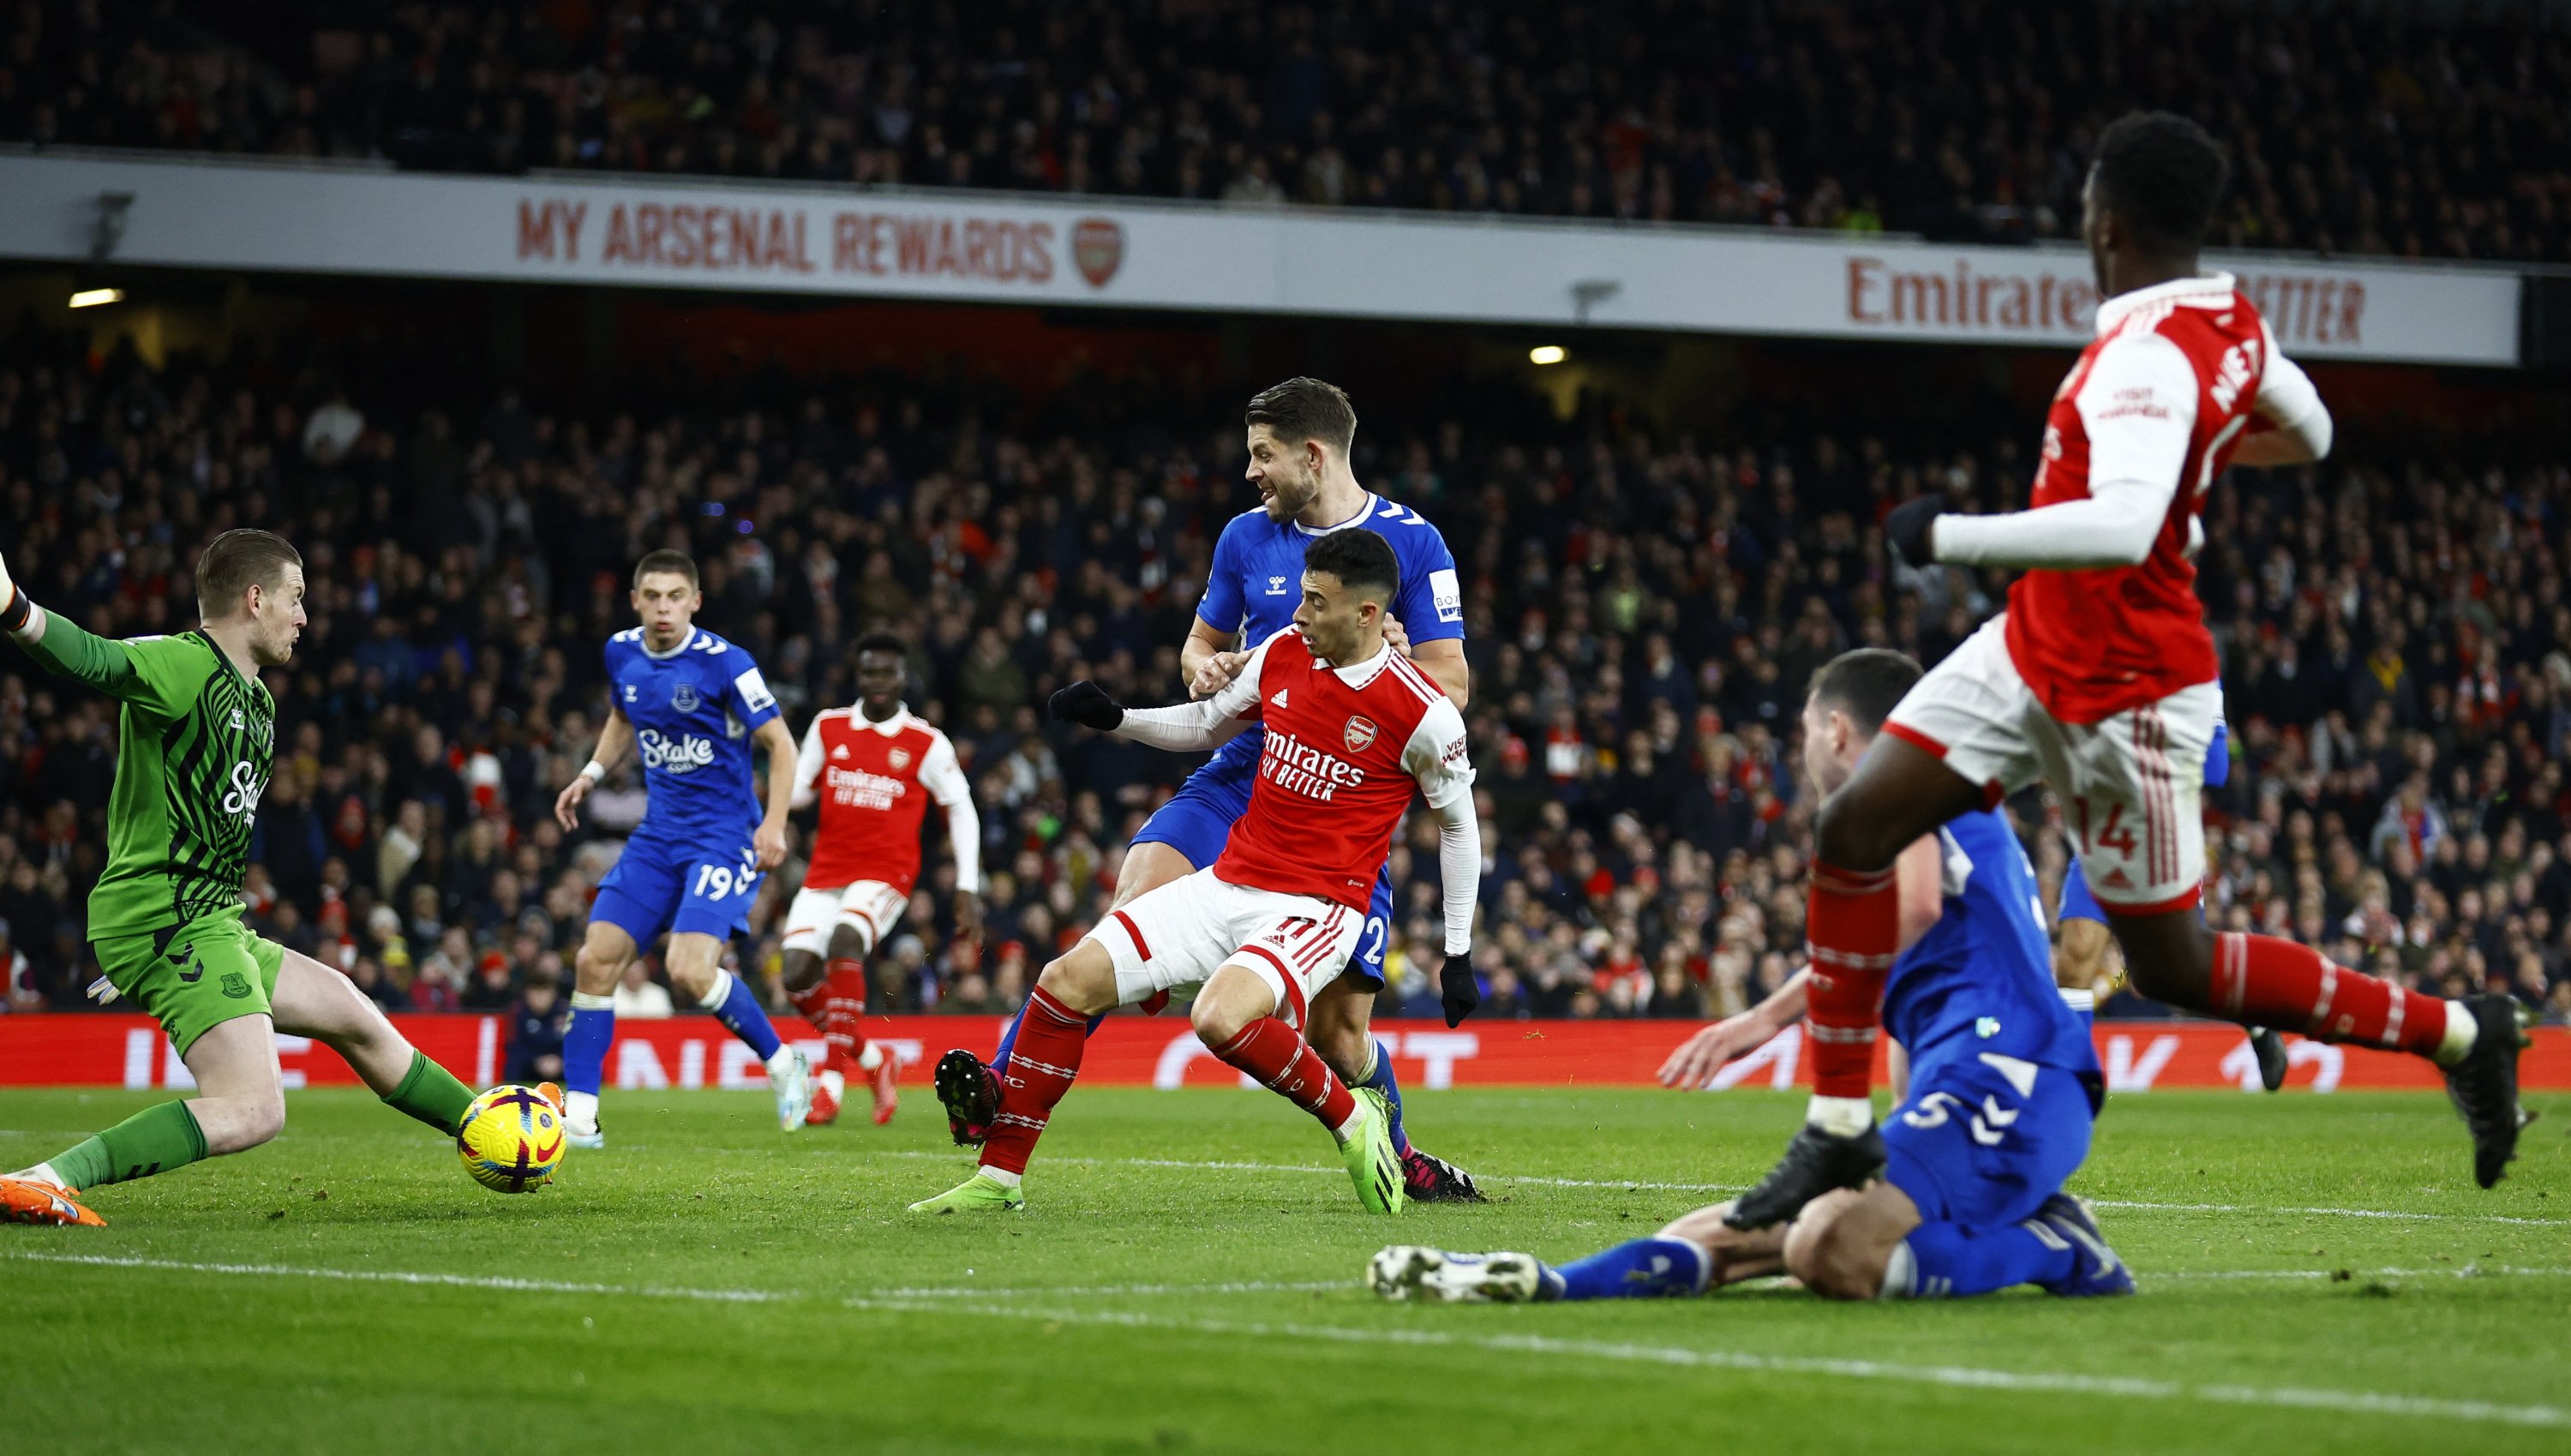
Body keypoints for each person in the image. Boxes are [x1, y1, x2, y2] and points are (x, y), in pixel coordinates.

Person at [1733, 111, 2527, 1230]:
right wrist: (2202, 450)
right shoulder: (2227, 322)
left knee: (2176, 962)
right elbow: (2313, 432)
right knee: (1854, 827)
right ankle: (1837, 1128)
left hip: (2131, 688)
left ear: (2101, 219)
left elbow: (2121, 522)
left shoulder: (2143, 356)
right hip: (2031, 646)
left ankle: (2462, 1032)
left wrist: (1948, 533)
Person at [1374, 650, 2129, 1303]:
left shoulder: (1911, 782)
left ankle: (2057, 1244)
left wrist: (1761, 1019)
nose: (1803, 750)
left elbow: (1914, 907)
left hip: (2013, 1080)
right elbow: (1916, 987)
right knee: (1734, 1231)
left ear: (1835, 731)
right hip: (1979, 1081)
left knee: (1824, 1251)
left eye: (1805, 731)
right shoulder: (1945, 797)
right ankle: (1554, 1281)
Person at [932, 377, 1487, 1203]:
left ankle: (1395, 1152)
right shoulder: (1244, 538)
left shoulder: (1412, 544)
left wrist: (1399, 658)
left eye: (1263, 454)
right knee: (1134, 896)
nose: (1249, 470)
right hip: (1245, 762)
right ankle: (1006, 1096)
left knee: (1340, 1036)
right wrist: (1205, 668)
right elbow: (1199, 654)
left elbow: (1452, 686)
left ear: (1313, 453)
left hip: (1344, 797)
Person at [0, 531, 494, 1227]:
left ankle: (485, 1126)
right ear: (254, 598)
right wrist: (13, 605)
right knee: (255, 1107)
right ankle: (42, 1179)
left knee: (351, 1010)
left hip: (206, 919)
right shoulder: (183, 663)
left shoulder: (257, 702)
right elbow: (95, 659)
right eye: (295, 599)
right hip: (169, 918)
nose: (303, 617)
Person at [549, 549, 811, 1150]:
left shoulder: (727, 664)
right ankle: (582, 1121)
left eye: (675, 596)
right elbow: (623, 714)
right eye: (652, 596)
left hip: (721, 837)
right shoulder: (622, 651)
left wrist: (772, 825)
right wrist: (590, 771)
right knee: (595, 960)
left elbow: (782, 744)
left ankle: (782, 1062)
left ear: (695, 601)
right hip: (658, 835)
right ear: (636, 601)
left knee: (687, 971)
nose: (663, 607)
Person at [779, 630, 981, 1126]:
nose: (877, 681)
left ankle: (829, 1081)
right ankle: (874, 1060)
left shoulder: (925, 741)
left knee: (845, 940)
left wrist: (968, 886)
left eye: (887, 672)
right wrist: (762, 794)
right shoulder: (828, 728)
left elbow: (962, 810)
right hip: (827, 868)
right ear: (858, 673)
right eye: (869, 671)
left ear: (902, 677)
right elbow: (799, 793)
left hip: (887, 874)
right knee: (795, 975)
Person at [2053, 720, 2288, 1090]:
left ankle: (2252, 1014)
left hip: (2163, 845)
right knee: (2075, 959)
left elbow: (2216, 770)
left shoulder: (2194, 676)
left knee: (2174, 982)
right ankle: (2068, 1083)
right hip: (2102, 838)